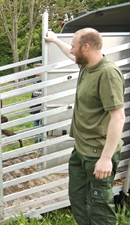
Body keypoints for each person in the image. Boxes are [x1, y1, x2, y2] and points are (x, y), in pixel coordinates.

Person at [44, 28, 125, 225]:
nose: (71, 50)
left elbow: (118, 117)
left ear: (86, 47)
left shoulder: (107, 74)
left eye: (74, 46)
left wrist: (106, 159)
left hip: (98, 154)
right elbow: (71, 54)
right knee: (78, 200)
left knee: (99, 208)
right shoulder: (87, 65)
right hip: (81, 151)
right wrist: (55, 40)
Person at [30, 63, 43, 142]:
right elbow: (33, 94)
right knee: (36, 127)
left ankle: (40, 144)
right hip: (35, 107)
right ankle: (37, 145)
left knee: (41, 126)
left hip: (41, 107)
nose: (36, 72)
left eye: (37, 70)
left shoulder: (45, 79)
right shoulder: (35, 80)